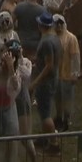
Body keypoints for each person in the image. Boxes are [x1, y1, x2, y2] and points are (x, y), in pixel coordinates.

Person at [30, 12, 61, 153]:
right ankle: (44, 137)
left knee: (45, 113)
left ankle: (54, 143)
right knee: (43, 109)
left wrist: (35, 82)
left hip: (46, 81)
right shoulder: (54, 38)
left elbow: (49, 65)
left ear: (41, 25)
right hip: (52, 78)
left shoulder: (47, 41)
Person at [53, 13, 81, 132]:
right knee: (57, 98)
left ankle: (66, 119)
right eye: (56, 23)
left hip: (67, 74)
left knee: (67, 99)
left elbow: (75, 57)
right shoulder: (52, 37)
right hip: (56, 74)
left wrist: (75, 73)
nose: (59, 26)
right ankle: (58, 118)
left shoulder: (70, 38)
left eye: (61, 23)